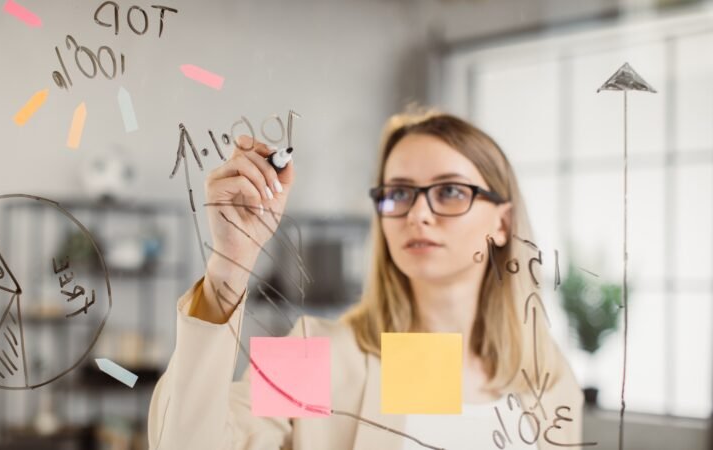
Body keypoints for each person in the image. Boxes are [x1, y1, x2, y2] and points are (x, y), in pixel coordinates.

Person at [148, 110, 584, 450]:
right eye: (399, 193)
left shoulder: (545, 376)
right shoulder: (318, 352)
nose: (418, 214)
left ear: (503, 223)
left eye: (449, 191)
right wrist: (230, 262)